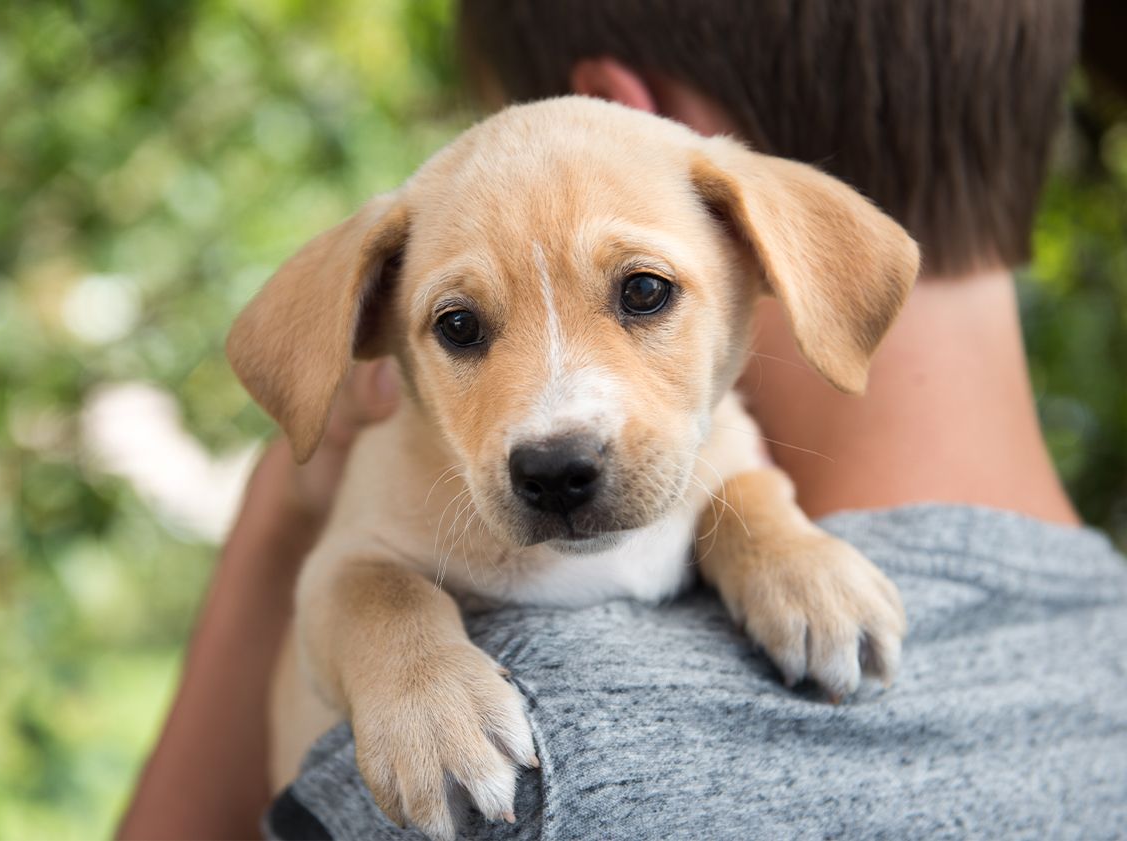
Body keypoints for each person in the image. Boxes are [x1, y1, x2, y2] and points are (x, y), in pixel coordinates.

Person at [118, 1, 1127, 838]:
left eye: (642, 293)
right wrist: (327, 558)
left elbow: (733, 479)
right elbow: (357, 578)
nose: (554, 426)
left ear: (604, 106)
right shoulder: (1106, 656)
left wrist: (759, 530)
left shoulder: (533, 781)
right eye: (462, 326)